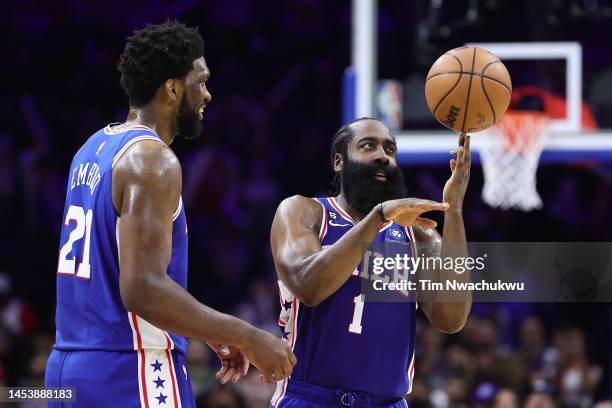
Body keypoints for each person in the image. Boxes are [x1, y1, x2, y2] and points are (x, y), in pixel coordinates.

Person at [45, 20, 296, 407]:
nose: (208, 94)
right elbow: (142, 289)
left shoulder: (92, 149)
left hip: (67, 369)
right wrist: (248, 334)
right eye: (201, 81)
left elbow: (125, 277)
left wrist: (196, 326)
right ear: (172, 88)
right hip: (132, 371)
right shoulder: (153, 160)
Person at [269, 117, 472, 407]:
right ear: (339, 161)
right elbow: (308, 285)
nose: (382, 156)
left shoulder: (417, 234)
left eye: (390, 150)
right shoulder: (306, 212)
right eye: (368, 146)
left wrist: (454, 210)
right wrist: (377, 218)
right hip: (311, 397)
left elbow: (451, 319)